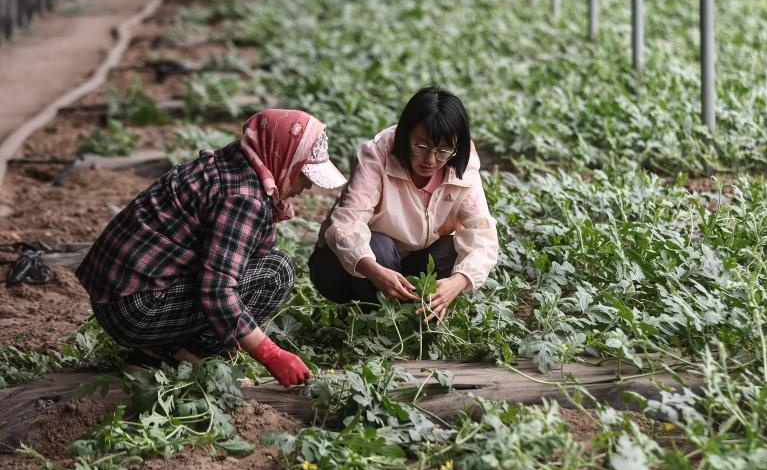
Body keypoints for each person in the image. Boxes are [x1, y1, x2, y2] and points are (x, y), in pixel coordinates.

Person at [76, 109, 347, 386]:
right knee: (276, 272)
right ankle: (181, 357)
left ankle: (153, 354)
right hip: (137, 309)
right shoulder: (244, 197)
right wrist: (270, 353)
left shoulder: (232, 163)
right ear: (284, 158)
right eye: (305, 175)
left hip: (117, 298)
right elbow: (217, 290)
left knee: (265, 261)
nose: (308, 187)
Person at [309, 86, 499, 321]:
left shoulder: (462, 164)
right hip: (345, 269)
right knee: (379, 246)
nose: (431, 160)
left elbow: (482, 232)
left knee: (451, 250)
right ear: (406, 134)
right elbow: (344, 226)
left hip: (410, 261)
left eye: (442, 150)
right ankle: (377, 319)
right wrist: (374, 271)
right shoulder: (376, 156)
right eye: (421, 147)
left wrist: (457, 282)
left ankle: (416, 314)